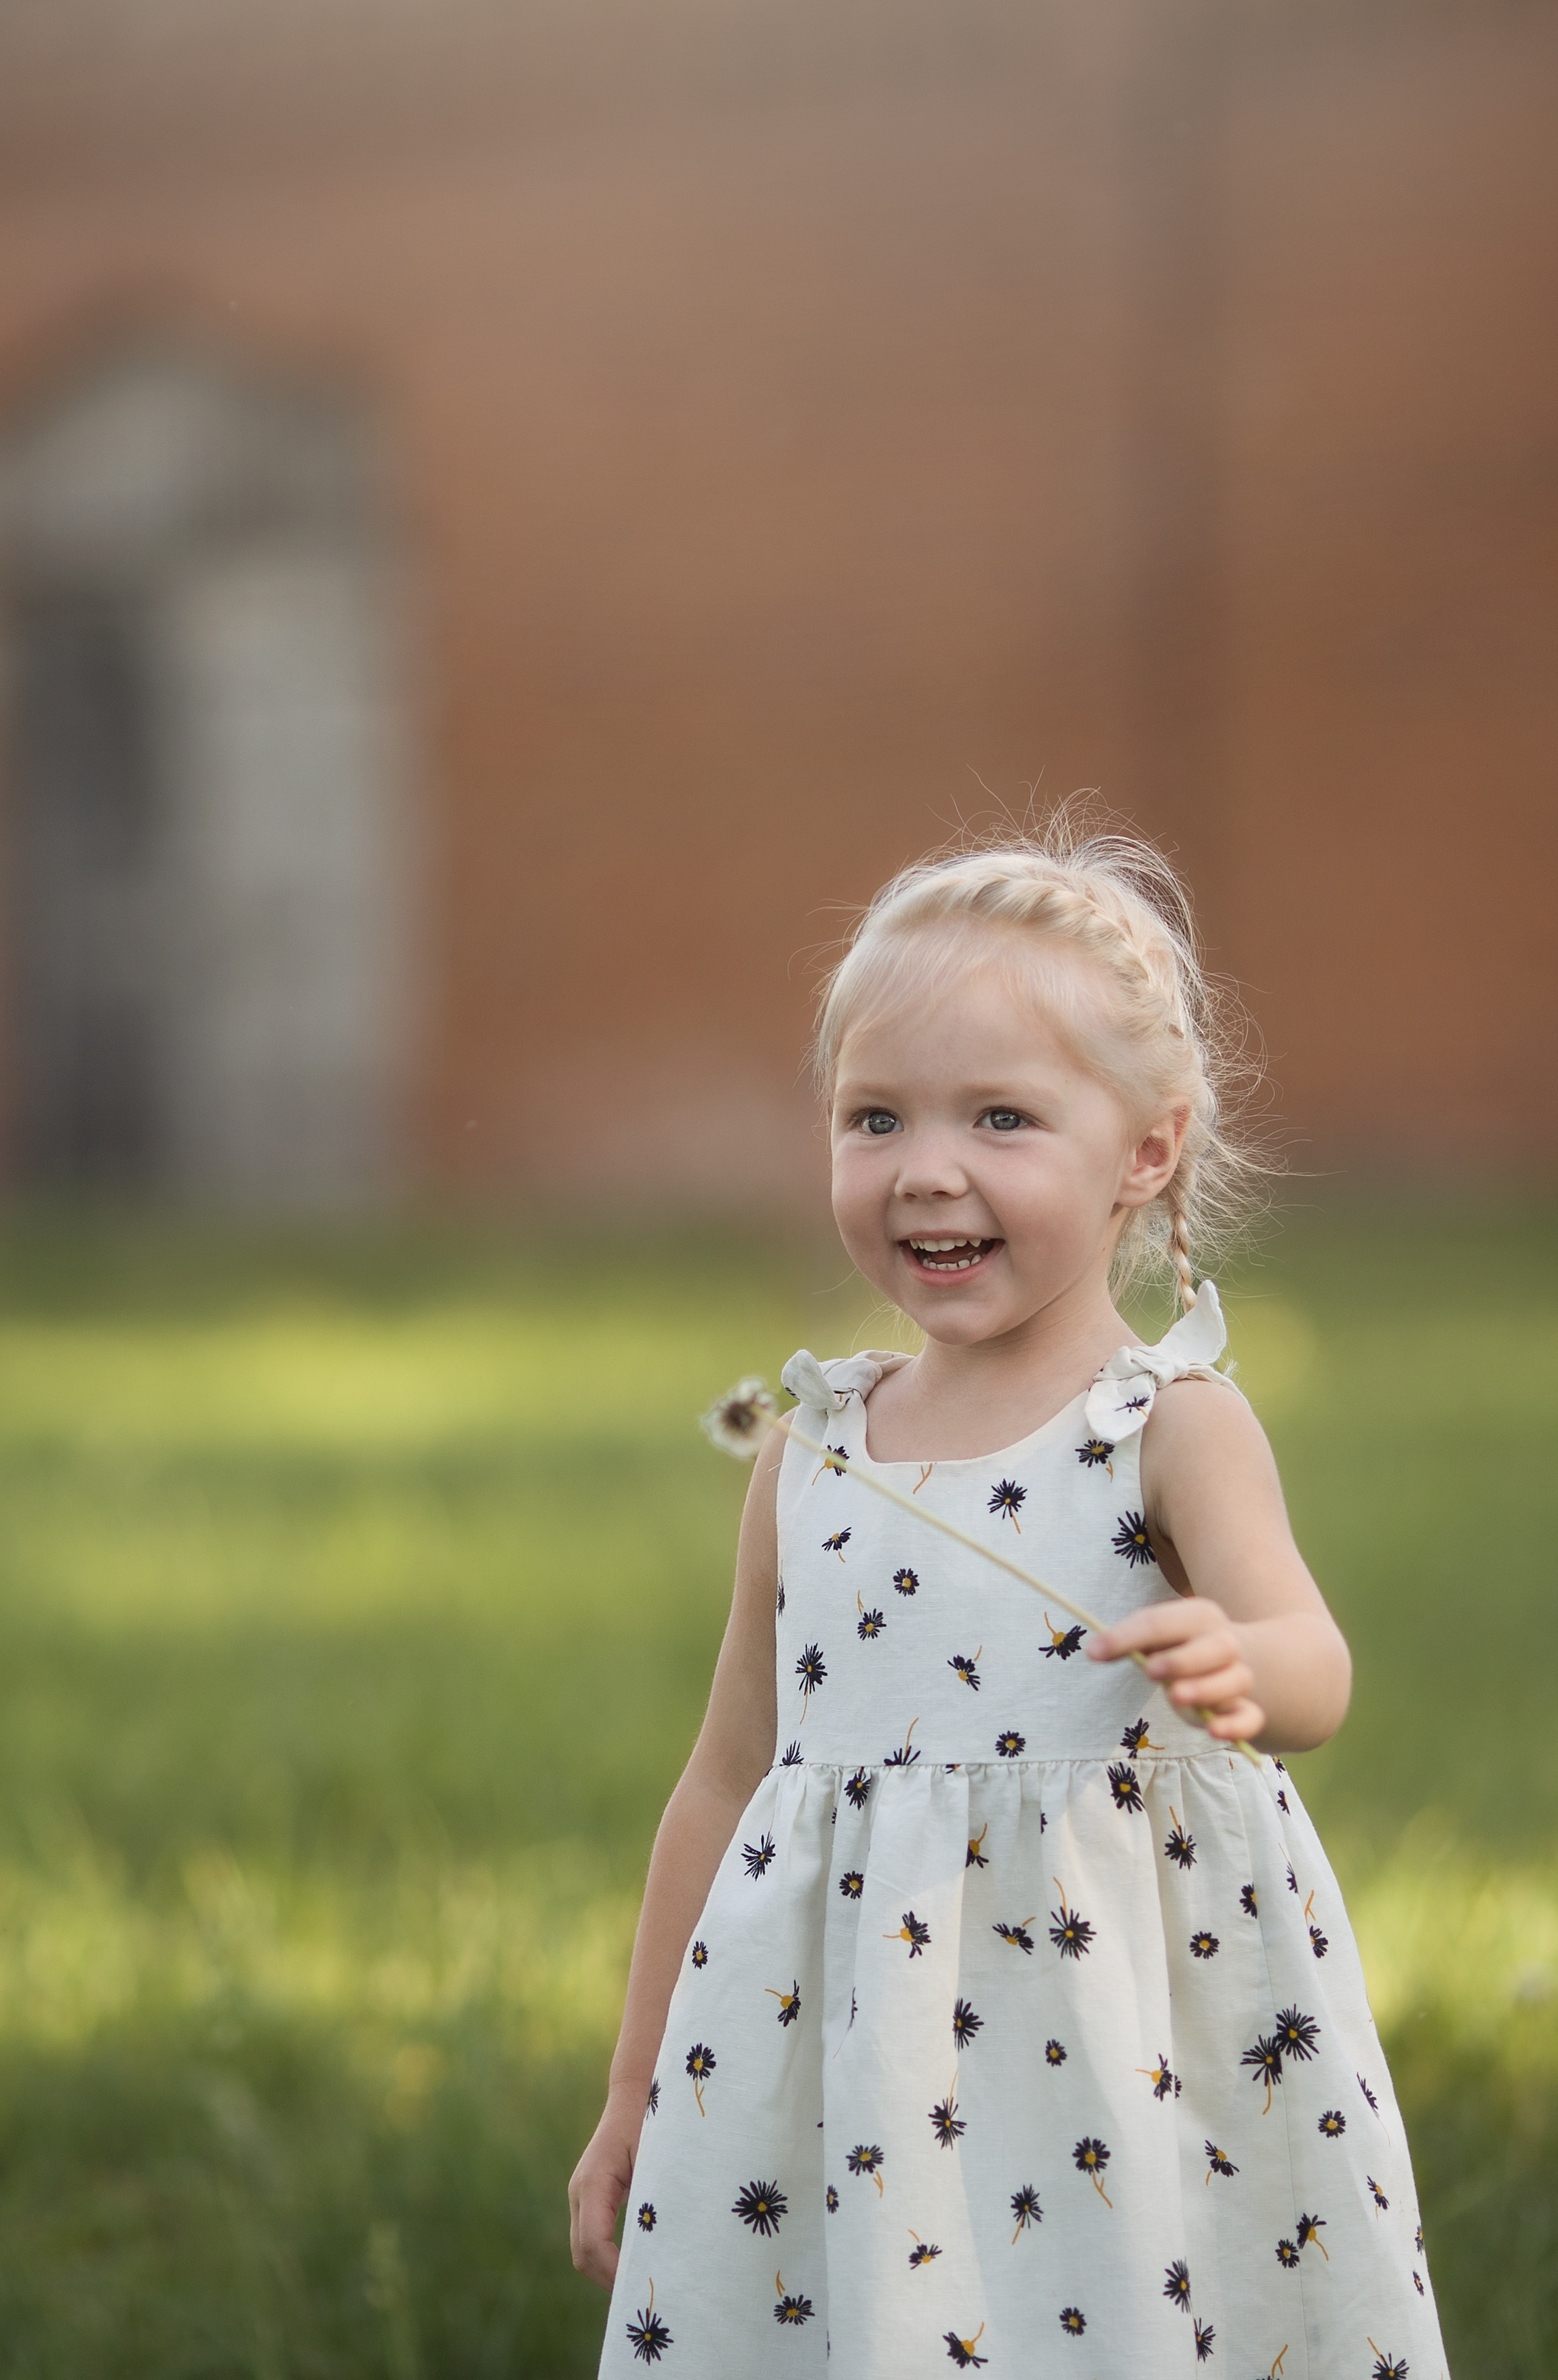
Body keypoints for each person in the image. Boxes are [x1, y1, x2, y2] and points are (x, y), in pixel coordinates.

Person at [570, 829, 1447, 2378]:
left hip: (1117, 2059)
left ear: (1147, 1153)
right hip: (849, 2072)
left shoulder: (1165, 1429)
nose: (925, 1167)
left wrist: (1240, 1661)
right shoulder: (810, 1456)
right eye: (874, 1116)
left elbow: (1316, 1666)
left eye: (1002, 1117)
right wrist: (641, 2092)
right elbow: (725, 1779)